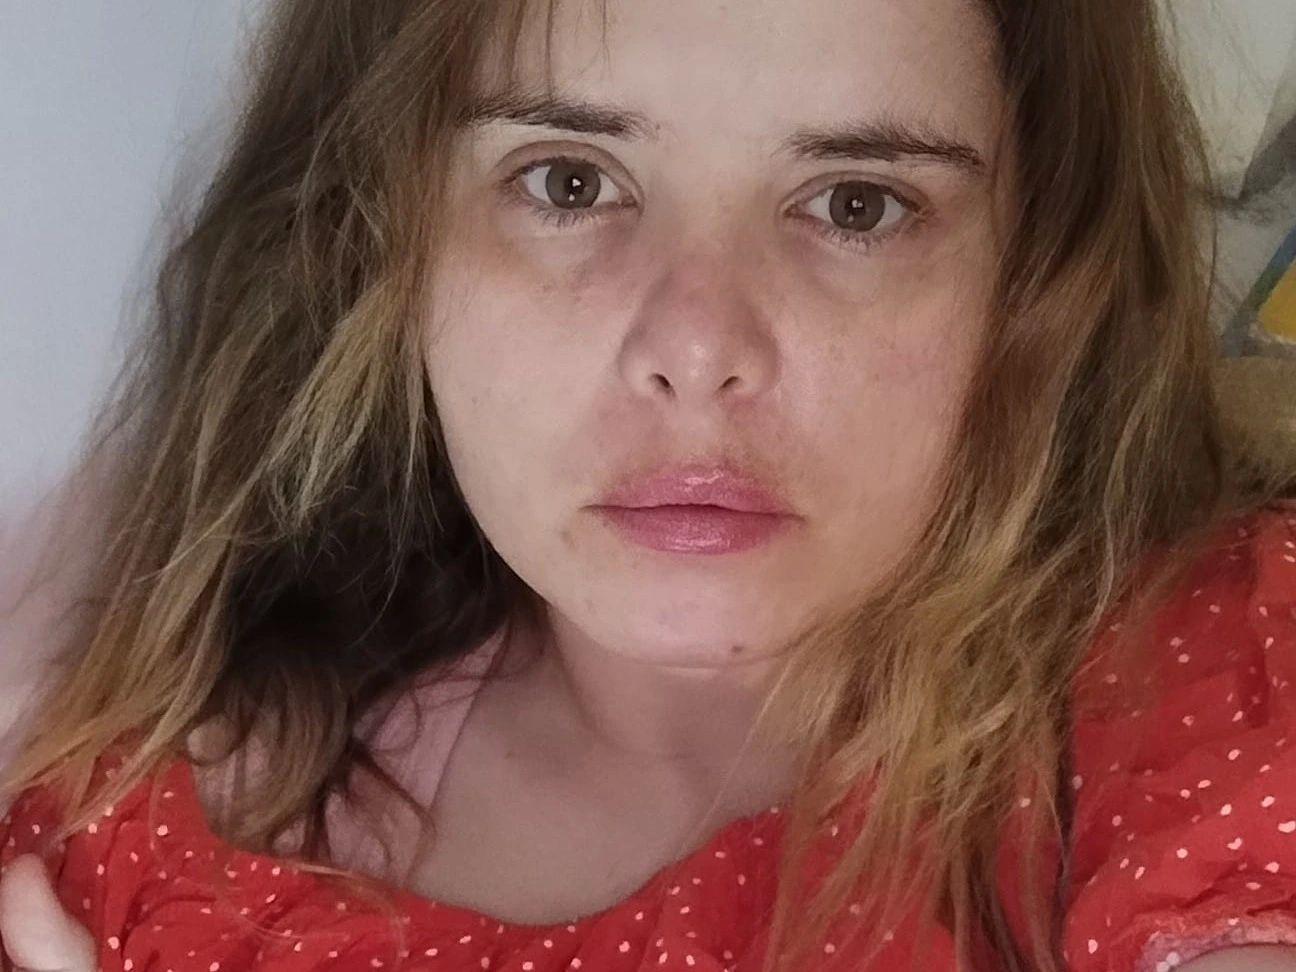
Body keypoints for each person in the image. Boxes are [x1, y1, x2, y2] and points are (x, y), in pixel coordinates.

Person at [1, 0, 1295, 969]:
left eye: (856, 204)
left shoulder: (1212, 684)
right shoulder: (143, 849)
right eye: (568, 183)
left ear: (1033, 282)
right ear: (387, 250)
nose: (697, 347)